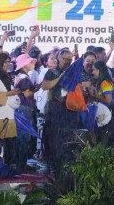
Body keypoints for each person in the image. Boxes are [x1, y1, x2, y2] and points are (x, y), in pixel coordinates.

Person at [42, 48, 77, 176]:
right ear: (58, 58)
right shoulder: (52, 72)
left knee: (67, 137)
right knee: (52, 137)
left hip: (70, 110)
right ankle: (52, 163)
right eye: (65, 59)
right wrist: (61, 77)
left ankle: (65, 164)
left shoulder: (74, 73)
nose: (67, 61)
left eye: (69, 59)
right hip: (55, 108)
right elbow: (45, 86)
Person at [14, 53, 37, 170]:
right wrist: (38, 88)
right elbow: (27, 93)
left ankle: (21, 163)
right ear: (24, 65)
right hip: (24, 109)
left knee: (22, 137)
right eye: (30, 62)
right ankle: (21, 165)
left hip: (20, 109)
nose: (33, 63)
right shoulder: (24, 78)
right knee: (24, 137)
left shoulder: (20, 76)